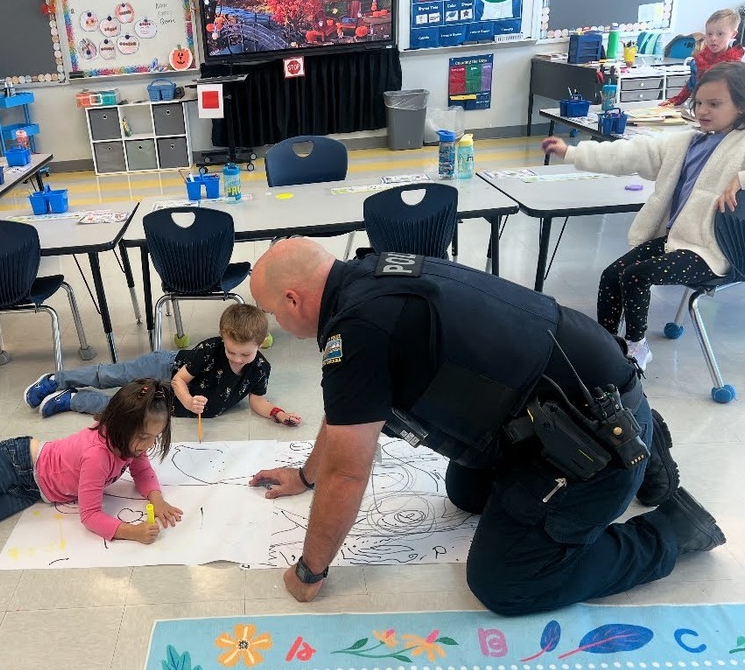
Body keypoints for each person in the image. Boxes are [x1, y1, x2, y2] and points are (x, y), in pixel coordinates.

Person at [247, 238, 725, 616]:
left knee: (506, 582)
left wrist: (310, 571)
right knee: (467, 491)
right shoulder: (373, 271)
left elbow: (348, 473)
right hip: (580, 392)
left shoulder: (356, 332)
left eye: (271, 313)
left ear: (293, 299)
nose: (275, 325)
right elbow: (349, 410)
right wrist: (306, 475)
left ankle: (672, 529)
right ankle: (646, 438)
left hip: (588, 439)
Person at [543, 62, 745, 371]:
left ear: (741, 106)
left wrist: (741, 179)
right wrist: (572, 152)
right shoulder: (685, 142)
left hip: (712, 252)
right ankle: (606, 346)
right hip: (677, 240)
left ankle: (636, 348)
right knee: (612, 275)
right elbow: (630, 153)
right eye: (699, 103)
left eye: (715, 104)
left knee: (637, 276)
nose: (703, 111)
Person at [0, 378, 182, 542]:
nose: (148, 446)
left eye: (154, 438)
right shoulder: (97, 456)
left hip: (32, 491)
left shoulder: (131, 446)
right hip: (13, 463)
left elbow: (143, 473)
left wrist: (157, 499)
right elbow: (90, 516)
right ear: (121, 425)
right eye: (144, 437)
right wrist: (132, 532)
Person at [24, 303, 303, 426]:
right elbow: (179, 380)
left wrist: (278, 414)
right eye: (232, 351)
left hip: (170, 404)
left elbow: (257, 400)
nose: (238, 359)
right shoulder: (210, 349)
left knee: (124, 411)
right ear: (222, 337)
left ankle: (71, 400)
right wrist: (190, 401)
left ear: (261, 343)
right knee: (113, 375)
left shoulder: (261, 369)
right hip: (166, 369)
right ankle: (57, 380)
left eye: (246, 354)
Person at [661, 9, 743, 107]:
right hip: (700, 106)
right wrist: (675, 100)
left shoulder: (734, 65)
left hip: (724, 110)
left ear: (733, 34)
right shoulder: (701, 59)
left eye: (720, 34)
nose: (713, 38)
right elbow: (691, 84)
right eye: (709, 34)